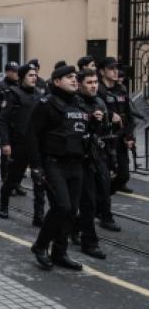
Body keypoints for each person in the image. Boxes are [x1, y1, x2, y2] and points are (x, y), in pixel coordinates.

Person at [27, 64, 88, 271]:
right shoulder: (46, 104)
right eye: (69, 77)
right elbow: (32, 136)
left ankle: (60, 252)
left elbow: (84, 131)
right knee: (62, 206)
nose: (74, 80)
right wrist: (36, 167)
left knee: (71, 211)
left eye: (75, 77)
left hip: (76, 164)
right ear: (56, 81)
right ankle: (40, 245)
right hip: (54, 163)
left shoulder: (79, 102)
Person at [72, 68, 117, 260]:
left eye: (95, 82)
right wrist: (91, 121)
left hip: (97, 155)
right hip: (78, 157)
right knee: (84, 201)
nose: (94, 86)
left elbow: (106, 131)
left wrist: (111, 158)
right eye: (89, 82)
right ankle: (87, 240)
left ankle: (79, 228)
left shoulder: (100, 102)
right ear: (80, 84)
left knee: (101, 195)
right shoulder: (74, 102)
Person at [0, 63, 45, 226]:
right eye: (30, 75)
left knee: (39, 180)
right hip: (20, 144)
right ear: (22, 77)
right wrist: (5, 143)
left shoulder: (40, 94)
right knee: (13, 178)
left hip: (36, 145)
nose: (34, 78)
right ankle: (4, 205)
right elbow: (3, 121)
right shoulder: (13, 94)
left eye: (35, 75)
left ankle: (38, 215)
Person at [97, 57, 135, 194]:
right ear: (102, 71)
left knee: (124, 176)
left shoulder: (121, 90)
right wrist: (109, 115)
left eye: (116, 68)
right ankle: (102, 200)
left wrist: (129, 137)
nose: (115, 71)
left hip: (119, 138)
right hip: (103, 139)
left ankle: (105, 195)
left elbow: (129, 115)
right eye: (111, 68)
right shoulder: (97, 89)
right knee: (103, 176)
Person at [0, 62, 24, 195]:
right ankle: (7, 183)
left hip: (19, 127)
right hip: (5, 126)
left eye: (17, 71)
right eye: (13, 71)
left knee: (20, 157)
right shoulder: (0, 87)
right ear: (7, 72)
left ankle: (17, 183)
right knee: (7, 156)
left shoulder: (20, 85)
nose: (16, 74)